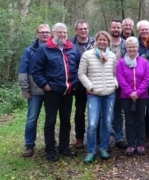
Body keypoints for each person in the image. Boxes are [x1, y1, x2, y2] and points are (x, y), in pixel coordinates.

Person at [31, 22, 80, 162]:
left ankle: (64, 148)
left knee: (66, 121)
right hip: (52, 92)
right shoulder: (45, 49)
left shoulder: (72, 48)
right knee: (50, 121)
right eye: (60, 32)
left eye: (65, 32)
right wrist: (45, 85)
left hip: (68, 92)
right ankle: (50, 150)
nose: (63, 35)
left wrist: (74, 83)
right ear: (53, 34)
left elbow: (77, 67)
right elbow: (36, 71)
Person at [78, 31, 118, 163]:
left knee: (106, 123)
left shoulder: (111, 56)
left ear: (108, 41)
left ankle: (104, 148)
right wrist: (90, 86)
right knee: (92, 124)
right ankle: (91, 151)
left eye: (104, 40)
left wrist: (115, 84)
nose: (102, 42)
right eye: (100, 39)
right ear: (96, 41)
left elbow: (115, 73)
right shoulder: (87, 55)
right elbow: (81, 74)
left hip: (109, 94)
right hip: (94, 94)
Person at [19, 24, 51, 157]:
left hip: (51, 90)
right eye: (42, 32)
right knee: (32, 118)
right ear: (37, 34)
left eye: (47, 32)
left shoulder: (53, 48)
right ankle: (29, 145)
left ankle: (50, 144)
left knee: (51, 119)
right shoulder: (29, 51)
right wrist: (25, 89)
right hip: (34, 91)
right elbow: (22, 71)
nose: (45, 34)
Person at [116, 36, 149, 156]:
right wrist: (130, 93)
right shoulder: (121, 62)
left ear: (138, 48)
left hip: (142, 96)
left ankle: (140, 143)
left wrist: (138, 92)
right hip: (126, 96)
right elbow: (121, 78)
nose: (132, 49)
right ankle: (131, 144)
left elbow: (147, 79)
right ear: (126, 48)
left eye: (134, 47)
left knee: (140, 120)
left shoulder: (144, 62)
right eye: (129, 47)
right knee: (129, 121)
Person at [71, 19, 96, 149]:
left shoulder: (95, 42)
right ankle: (79, 138)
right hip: (79, 85)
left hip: (95, 84)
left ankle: (96, 137)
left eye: (85, 28)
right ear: (76, 30)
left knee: (96, 112)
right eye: (80, 29)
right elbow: (70, 65)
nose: (83, 31)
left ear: (88, 29)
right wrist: (76, 81)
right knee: (80, 112)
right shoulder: (70, 44)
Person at [109, 18, 128, 149]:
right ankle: (104, 137)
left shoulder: (126, 44)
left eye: (118, 27)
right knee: (106, 111)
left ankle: (119, 137)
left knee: (119, 111)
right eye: (114, 27)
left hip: (122, 82)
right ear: (110, 28)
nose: (116, 30)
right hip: (107, 81)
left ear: (121, 29)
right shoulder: (103, 42)